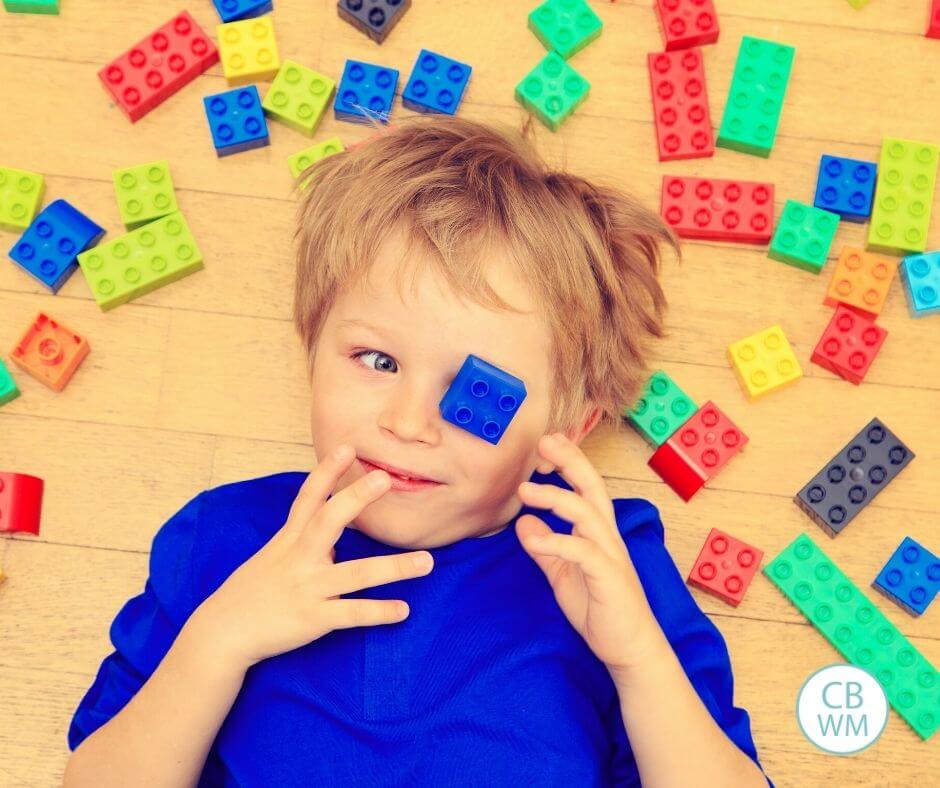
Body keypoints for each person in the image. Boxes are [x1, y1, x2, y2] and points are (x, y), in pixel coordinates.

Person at [64, 114, 770, 786]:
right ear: (312, 348)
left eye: (475, 393)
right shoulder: (225, 539)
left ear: (568, 428)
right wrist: (219, 640)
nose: (408, 422)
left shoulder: (600, 561)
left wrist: (639, 658)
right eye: (375, 360)